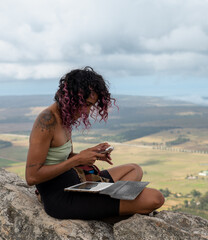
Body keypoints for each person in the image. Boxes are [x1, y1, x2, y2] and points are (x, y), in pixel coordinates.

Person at [25, 66, 164, 220]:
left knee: (134, 169)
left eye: (91, 105)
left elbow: (65, 156)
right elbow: (32, 177)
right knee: (156, 198)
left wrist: (92, 153)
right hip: (61, 197)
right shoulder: (46, 122)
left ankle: (107, 205)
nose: (87, 111)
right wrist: (78, 160)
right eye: (86, 104)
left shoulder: (65, 117)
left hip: (77, 181)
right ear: (71, 97)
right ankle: (108, 209)